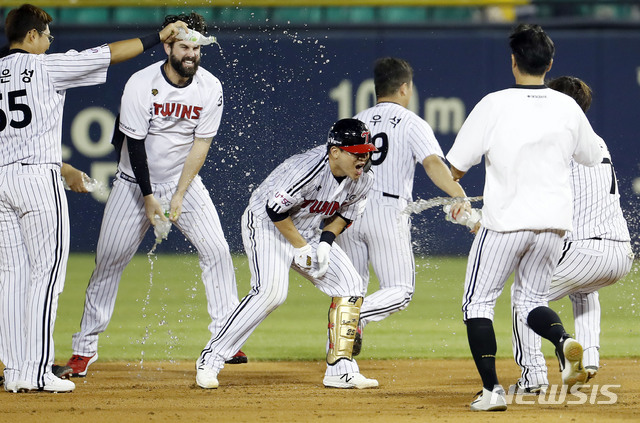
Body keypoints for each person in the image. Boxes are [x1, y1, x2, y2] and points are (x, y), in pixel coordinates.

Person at [0, 4, 187, 393]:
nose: (50, 43)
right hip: (36, 180)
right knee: (45, 277)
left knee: (11, 277)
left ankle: (16, 370)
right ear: (31, 36)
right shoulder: (45, 67)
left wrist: (64, 167)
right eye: (47, 36)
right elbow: (109, 53)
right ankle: (36, 373)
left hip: (3, 179)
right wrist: (159, 37)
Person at [65, 12, 247, 378]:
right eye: (184, 46)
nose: (191, 53)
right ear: (168, 46)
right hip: (134, 185)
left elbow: (201, 144)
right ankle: (83, 350)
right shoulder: (140, 82)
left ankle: (226, 339)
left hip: (185, 182)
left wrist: (179, 194)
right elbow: (134, 143)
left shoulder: (210, 87)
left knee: (216, 250)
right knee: (109, 261)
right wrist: (150, 197)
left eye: (196, 47)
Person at [446, 24, 603, 411]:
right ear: (549, 63)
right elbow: (589, 156)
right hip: (553, 226)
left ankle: (491, 392)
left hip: (505, 223)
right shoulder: (567, 106)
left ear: (513, 62)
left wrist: (457, 197)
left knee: (478, 303)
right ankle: (564, 341)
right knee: (531, 299)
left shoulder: (494, 103)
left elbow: (455, 166)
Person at [196, 118, 379, 390]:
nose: (363, 158)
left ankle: (340, 370)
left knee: (350, 284)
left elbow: (344, 215)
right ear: (335, 152)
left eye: (366, 152)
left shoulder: (363, 179)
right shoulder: (307, 169)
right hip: (266, 224)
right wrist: (301, 247)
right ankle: (210, 359)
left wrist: (326, 243)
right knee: (271, 292)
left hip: (306, 229)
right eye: (357, 152)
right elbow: (274, 210)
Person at [336, 57, 467, 357]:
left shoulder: (357, 119)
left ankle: (341, 360)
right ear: (405, 88)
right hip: (387, 209)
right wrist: (457, 194)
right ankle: (353, 316)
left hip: (347, 211)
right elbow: (433, 163)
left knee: (350, 289)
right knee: (400, 290)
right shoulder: (411, 122)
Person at [511, 76, 634, 393]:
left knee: (524, 299)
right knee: (583, 289)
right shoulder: (596, 139)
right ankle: (588, 359)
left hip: (585, 251)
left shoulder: (556, 141)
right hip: (621, 254)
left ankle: (534, 377)